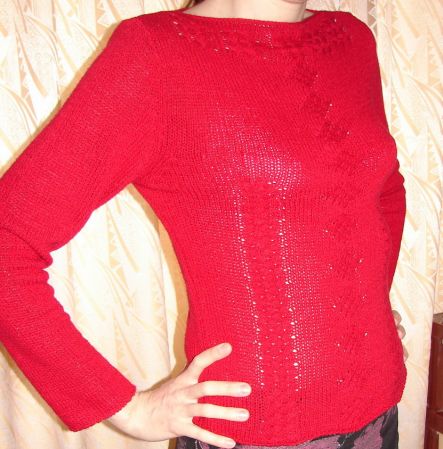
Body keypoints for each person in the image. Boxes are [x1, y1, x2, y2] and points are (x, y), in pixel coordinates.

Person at [0, 0, 408, 448]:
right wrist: (126, 408)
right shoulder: (155, 55)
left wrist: (369, 307)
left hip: (380, 414)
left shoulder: (351, 41)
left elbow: (383, 189)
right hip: (254, 434)